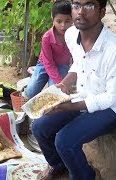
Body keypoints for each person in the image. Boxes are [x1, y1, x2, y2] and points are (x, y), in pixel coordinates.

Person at [32, 0, 116, 179]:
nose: (81, 12)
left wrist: (69, 106)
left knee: (64, 141)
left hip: (110, 108)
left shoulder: (112, 49)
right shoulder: (71, 34)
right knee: (39, 127)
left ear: (102, 12)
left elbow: (111, 97)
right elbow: (79, 64)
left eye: (89, 6)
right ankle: (59, 166)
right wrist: (63, 85)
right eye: (77, 5)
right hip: (85, 97)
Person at [24, 0, 73, 99]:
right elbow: (49, 64)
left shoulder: (75, 34)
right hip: (45, 63)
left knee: (55, 93)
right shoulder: (47, 37)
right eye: (59, 21)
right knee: (30, 93)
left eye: (67, 21)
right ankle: (39, 73)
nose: (63, 25)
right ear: (53, 19)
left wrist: (61, 83)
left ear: (72, 19)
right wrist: (60, 82)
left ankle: (47, 77)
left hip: (62, 65)